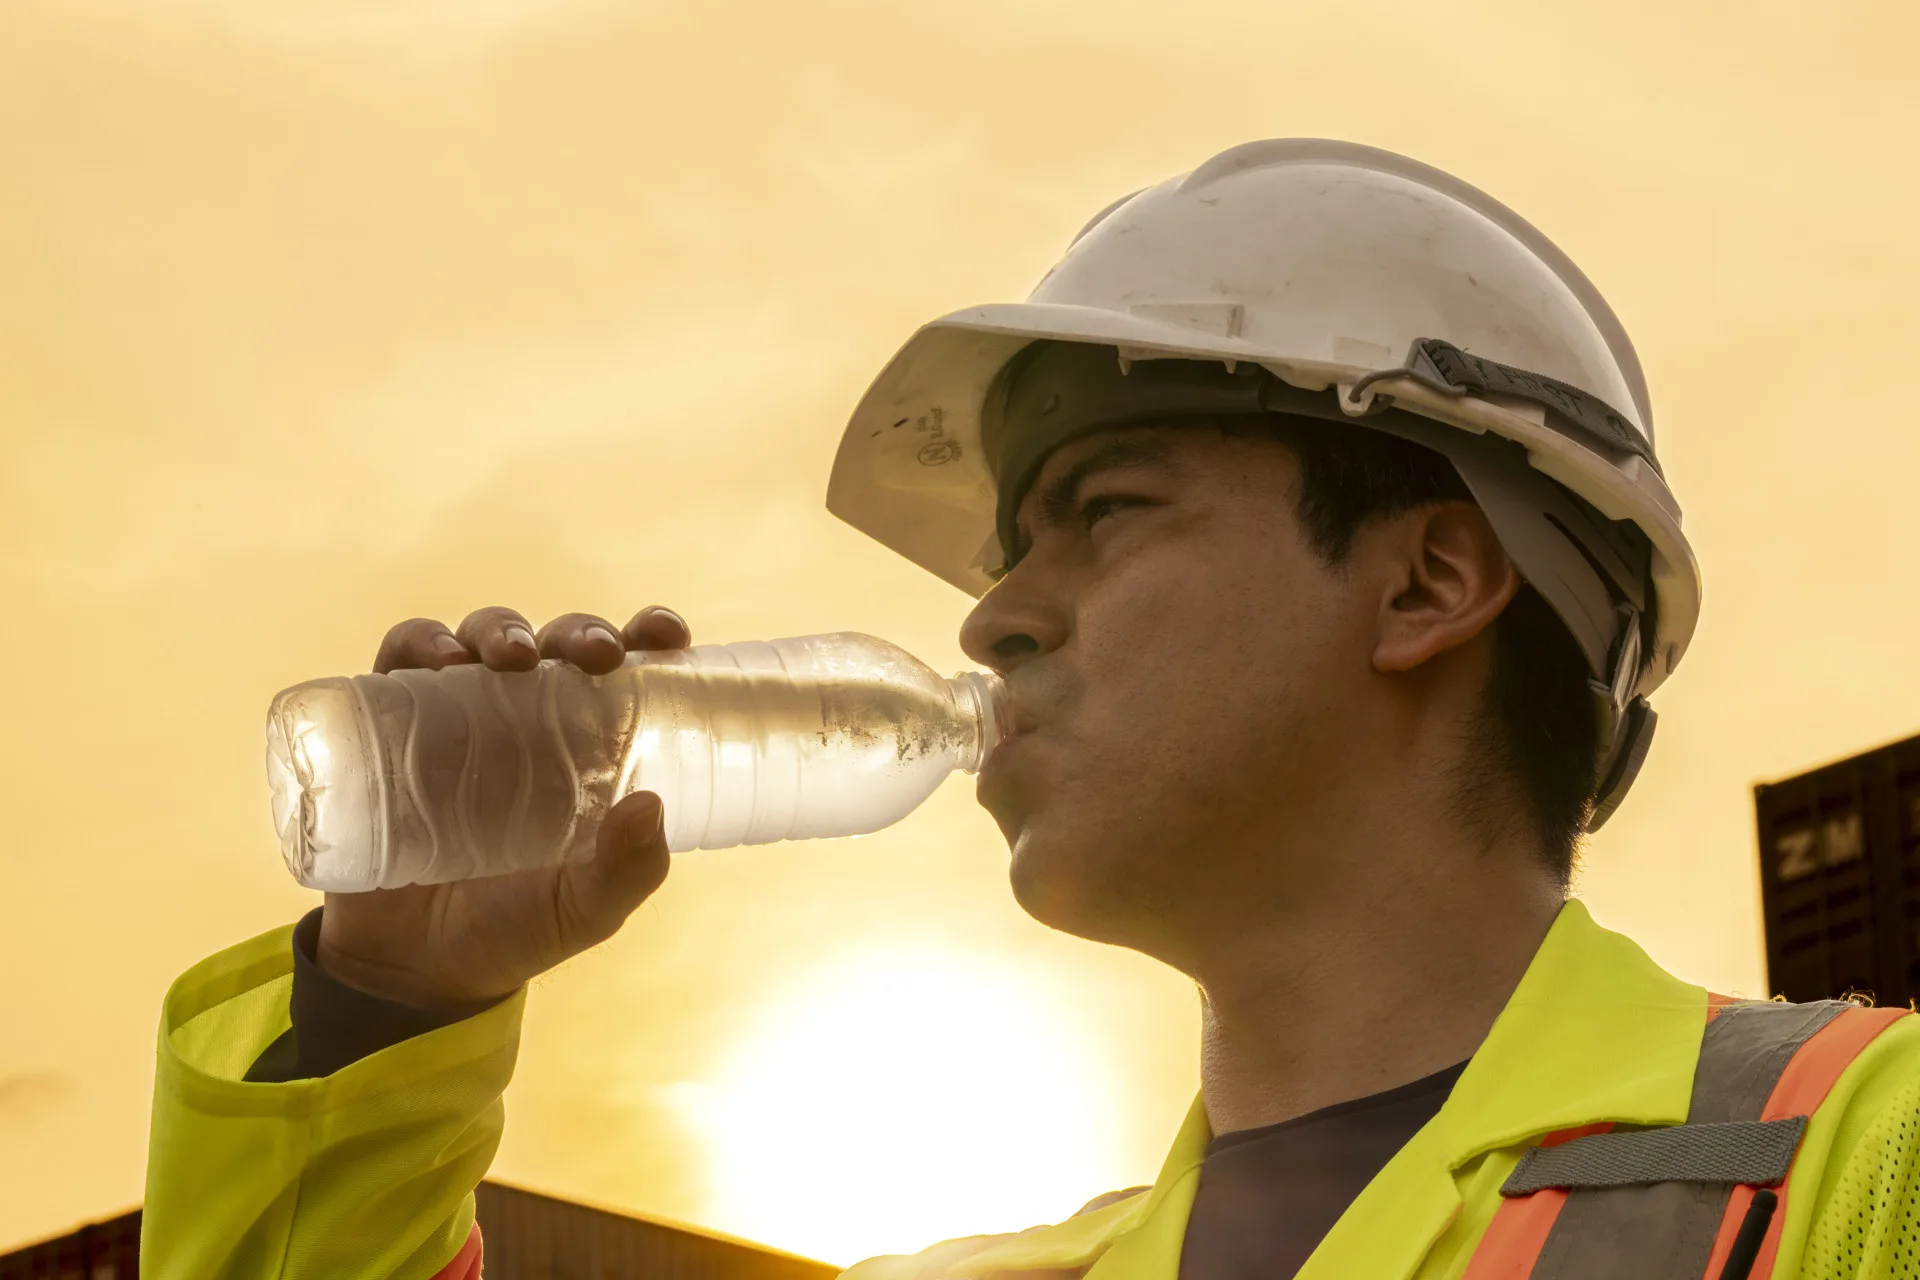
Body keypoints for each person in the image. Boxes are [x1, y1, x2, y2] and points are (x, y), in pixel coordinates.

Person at [141, 140, 1920, 1280]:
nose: (992, 614)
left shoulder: (1852, 1157)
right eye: (1012, 543)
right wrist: (376, 1012)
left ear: (1428, 584)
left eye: (1109, 510)